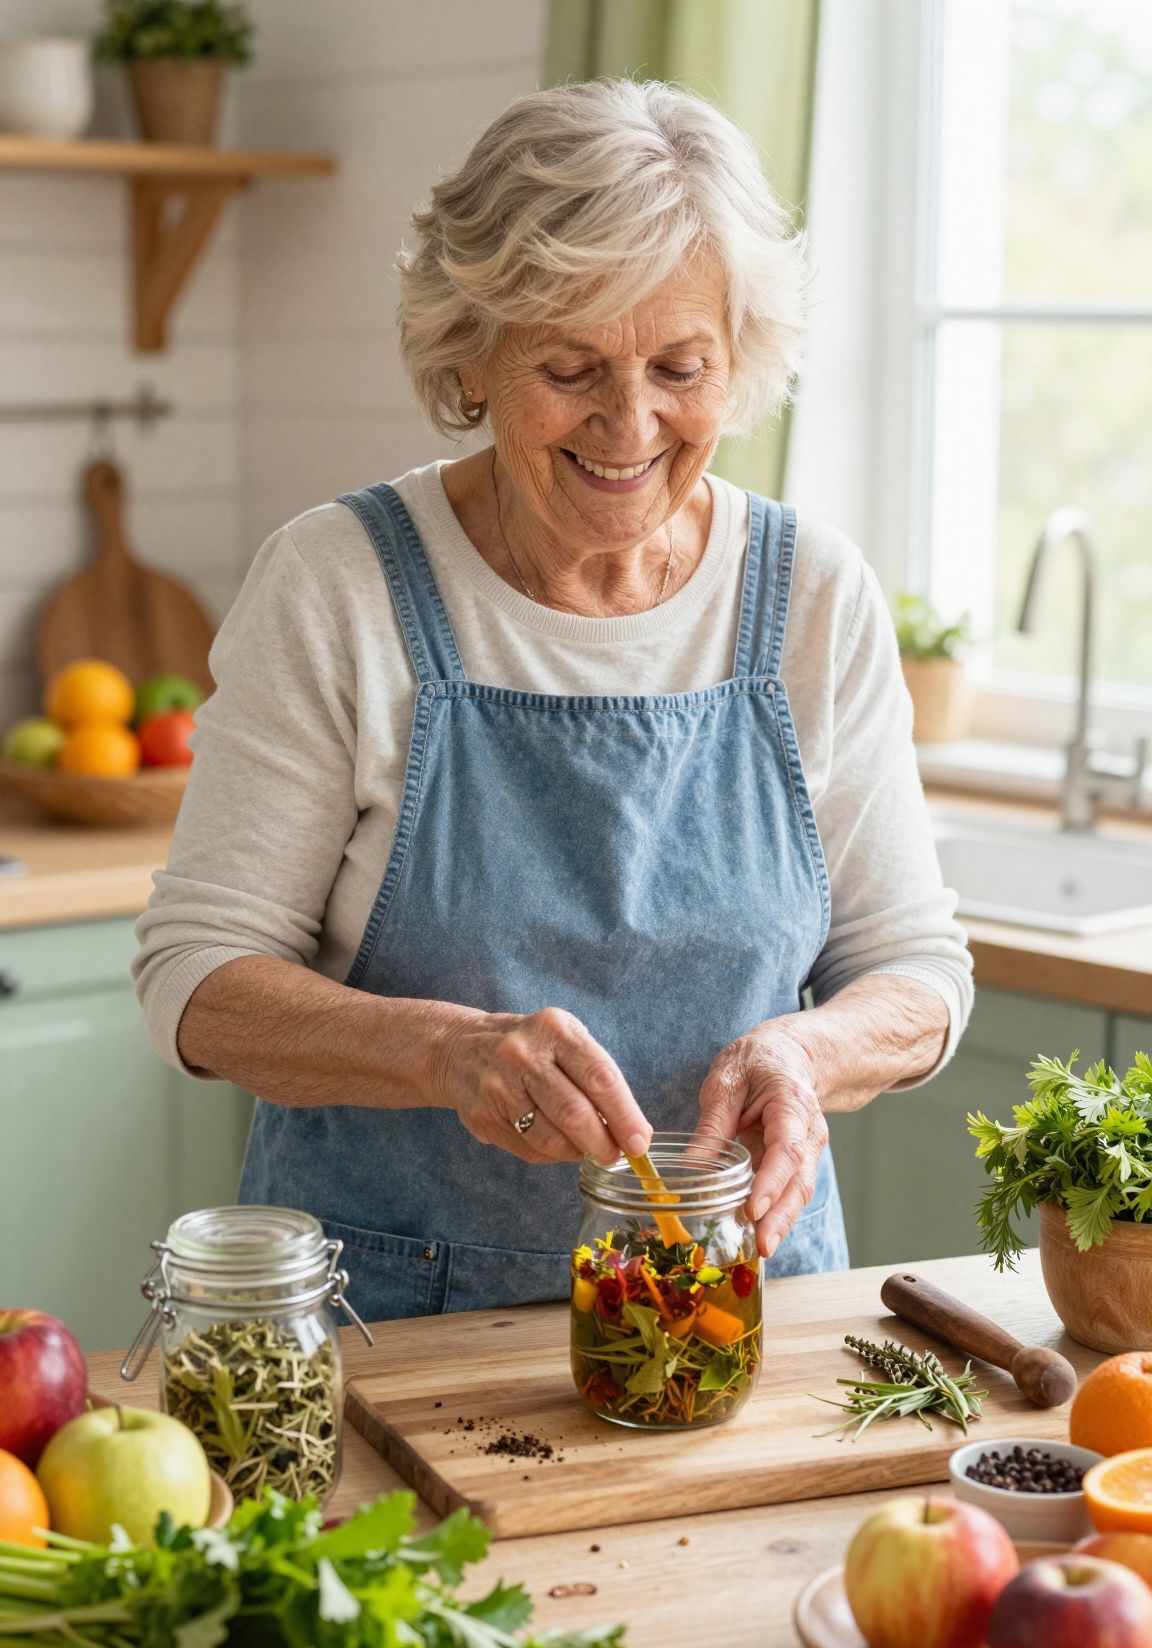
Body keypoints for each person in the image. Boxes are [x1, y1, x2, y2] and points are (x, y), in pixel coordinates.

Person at [133, 77, 973, 1322]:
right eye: (571, 366)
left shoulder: (813, 598)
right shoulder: (341, 584)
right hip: (396, 1337)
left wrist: (808, 1049)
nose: (629, 425)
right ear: (470, 351)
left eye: (680, 366)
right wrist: (442, 1051)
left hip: (738, 1319)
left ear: (736, 358)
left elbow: (915, 966)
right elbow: (194, 978)